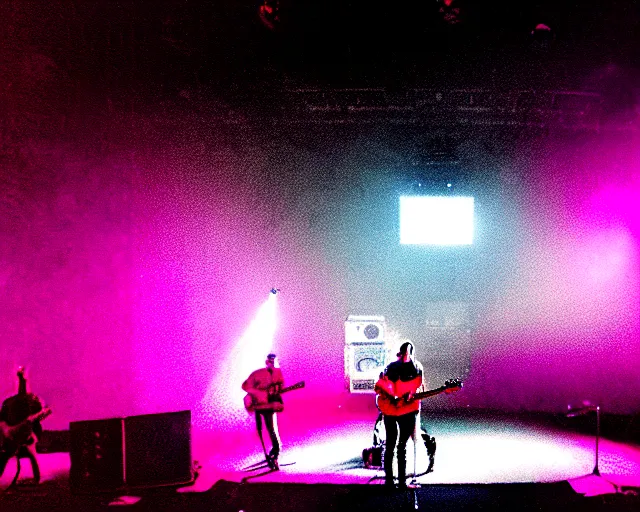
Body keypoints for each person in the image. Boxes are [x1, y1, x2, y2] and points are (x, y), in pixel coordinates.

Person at [374, 342, 424, 489]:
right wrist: (394, 398)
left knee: (394, 445)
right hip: (399, 410)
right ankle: (397, 482)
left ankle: (394, 481)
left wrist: (408, 396)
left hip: (403, 410)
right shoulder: (401, 367)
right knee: (397, 446)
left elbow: (418, 388)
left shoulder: (411, 367)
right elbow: (380, 387)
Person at [0, 367, 46, 484]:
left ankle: (36, 479)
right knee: (9, 457)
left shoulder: (24, 412)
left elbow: (23, 394)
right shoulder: (21, 408)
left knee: (26, 455)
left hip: (21, 436)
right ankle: (36, 479)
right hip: (17, 436)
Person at [242, 353, 284, 470]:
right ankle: (270, 453)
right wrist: (257, 394)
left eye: (274, 361)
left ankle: (274, 453)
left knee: (271, 430)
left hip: (269, 406)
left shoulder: (278, 373)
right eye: (270, 361)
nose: (272, 363)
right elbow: (245, 386)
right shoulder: (258, 373)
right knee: (262, 430)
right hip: (259, 406)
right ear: (267, 362)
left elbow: (280, 388)